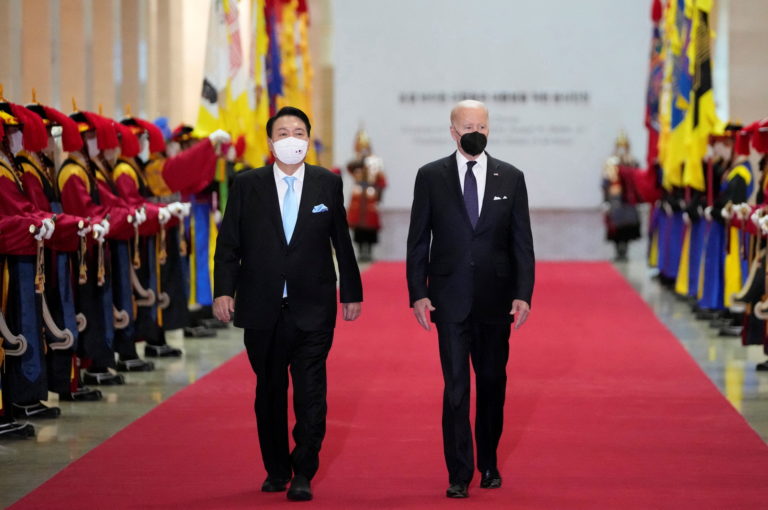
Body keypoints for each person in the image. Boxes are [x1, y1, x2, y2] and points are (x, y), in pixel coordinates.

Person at [213, 106, 362, 502]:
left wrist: (351, 290)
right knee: (270, 390)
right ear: (270, 141)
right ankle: (276, 468)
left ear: (308, 141)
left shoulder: (326, 184)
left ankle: (304, 470)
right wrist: (223, 291)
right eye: (283, 132)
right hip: (262, 306)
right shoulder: (247, 185)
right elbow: (228, 244)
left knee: (311, 391)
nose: (291, 138)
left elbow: (341, 242)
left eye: (299, 132)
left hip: (313, 305)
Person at [406, 99, 535, 499]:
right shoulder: (430, 176)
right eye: (466, 126)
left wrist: (523, 294)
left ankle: (489, 461)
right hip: (449, 297)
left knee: (493, 382)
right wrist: (418, 294)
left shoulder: (510, 177)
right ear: (453, 131)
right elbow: (417, 241)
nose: (474, 131)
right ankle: (459, 472)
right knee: (457, 385)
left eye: (481, 125)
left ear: (489, 129)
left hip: (496, 301)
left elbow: (521, 243)